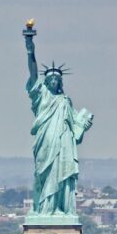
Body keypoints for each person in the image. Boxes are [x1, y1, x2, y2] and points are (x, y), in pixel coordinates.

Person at [24, 27, 93, 217]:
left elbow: (75, 131)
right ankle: (44, 209)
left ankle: (59, 209)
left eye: (57, 79)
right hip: (45, 142)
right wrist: (30, 51)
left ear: (60, 81)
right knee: (44, 175)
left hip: (63, 144)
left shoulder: (65, 101)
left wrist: (83, 126)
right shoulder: (41, 95)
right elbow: (32, 74)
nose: (54, 81)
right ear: (45, 81)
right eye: (51, 78)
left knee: (61, 174)